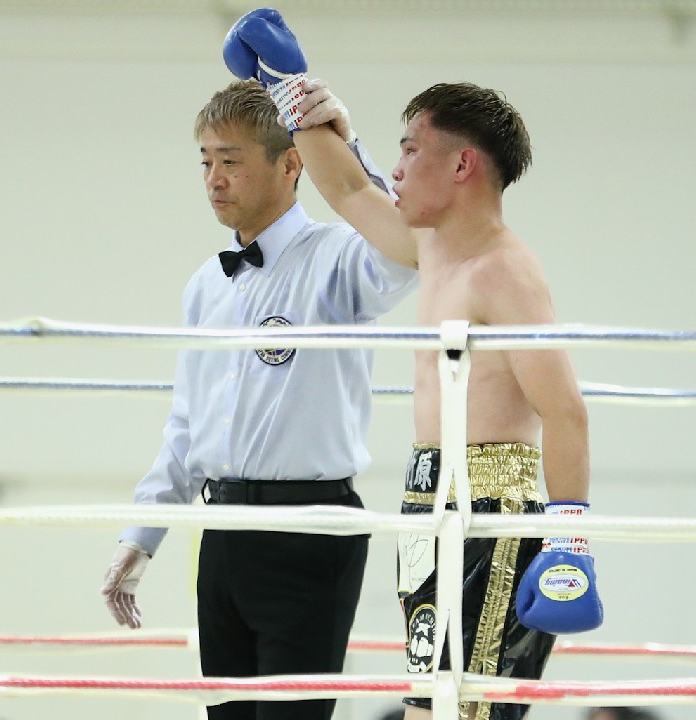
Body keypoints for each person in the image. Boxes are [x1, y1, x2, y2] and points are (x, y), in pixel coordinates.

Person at [221, 9, 603, 720]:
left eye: (410, 149)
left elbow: (565, 409)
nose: (395, 168)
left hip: (492, 508)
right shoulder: (435, 248)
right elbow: (348, 190)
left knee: (468, 712)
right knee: (429, 707)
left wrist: (570, 534)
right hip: (428, 495)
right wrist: (288, 88)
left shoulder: (504, 270)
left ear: (461, 165)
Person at [98, 78, 417, 720]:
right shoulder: (205, 285)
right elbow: (186, 428)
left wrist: (345, 142)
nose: (214, 180)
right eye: (206, 162)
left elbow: (406, 252)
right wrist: (142, 535)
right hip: (221, 531)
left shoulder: (339, 257)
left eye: (232, 161)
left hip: (310, 529)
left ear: (290, 163)